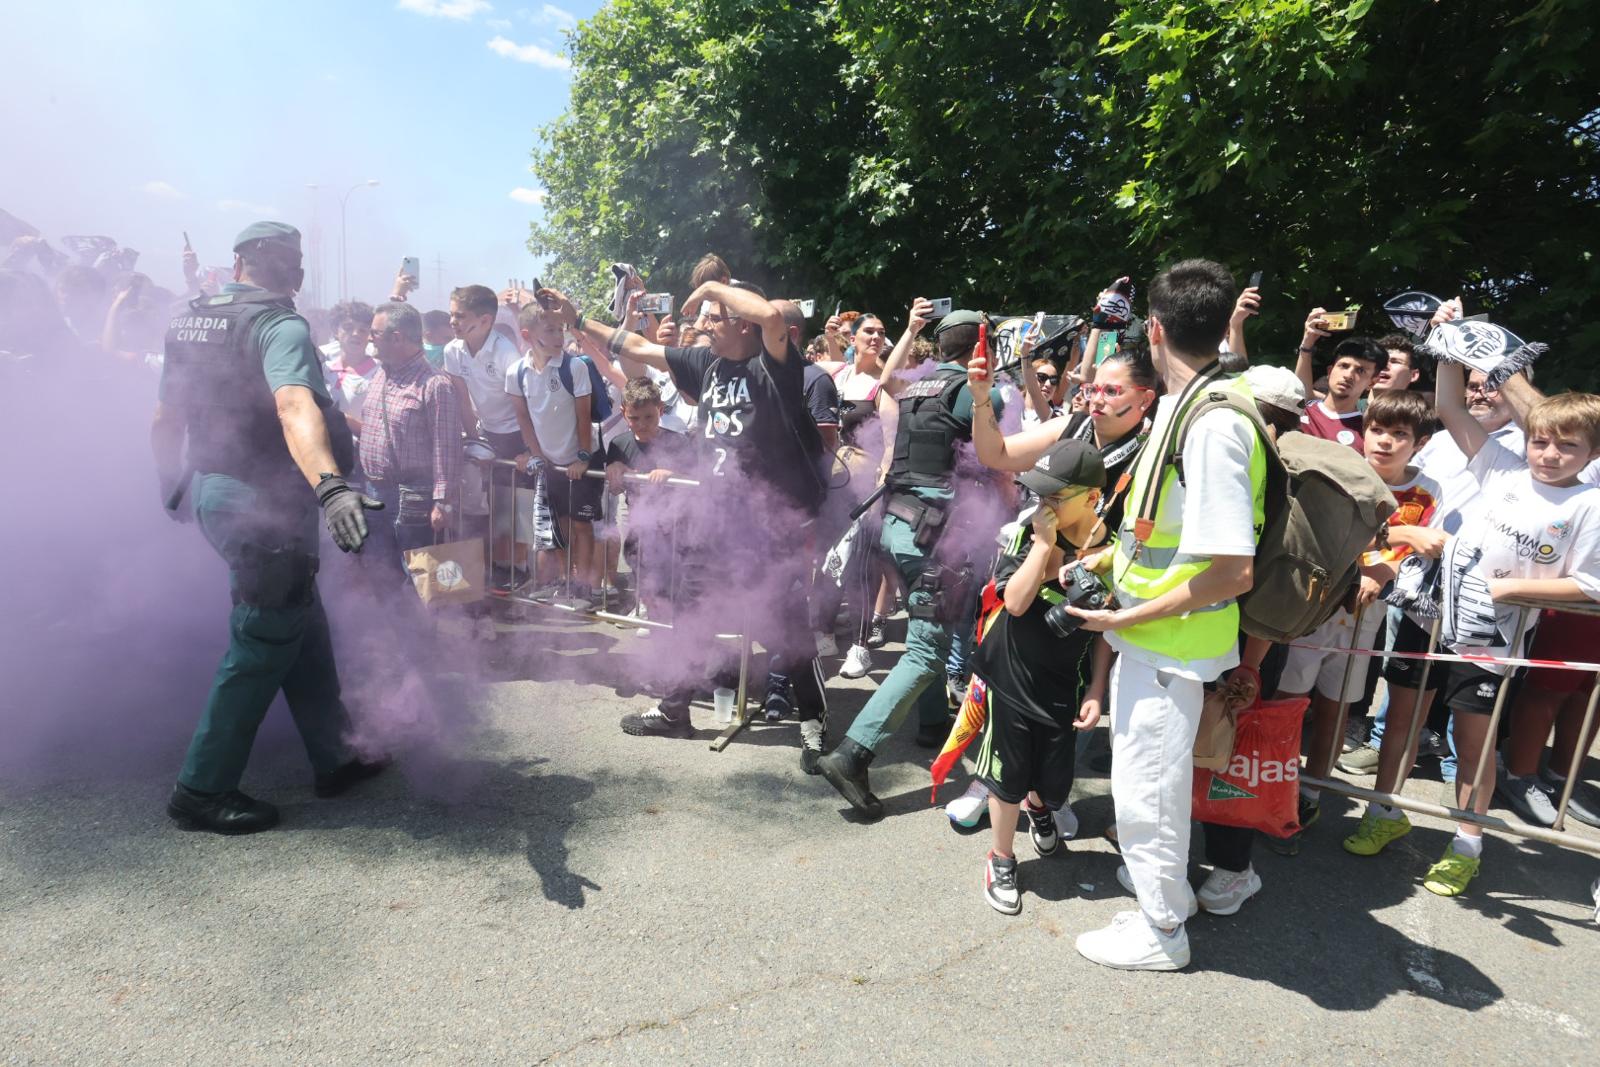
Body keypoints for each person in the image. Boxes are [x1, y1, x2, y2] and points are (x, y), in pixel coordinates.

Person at [149, 221, 386, 835]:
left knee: (299, 620)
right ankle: (200, 790)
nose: (298, 272)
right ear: (264, 261)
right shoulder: (277, 323)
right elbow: (293, 405)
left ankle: (337, 756)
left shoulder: (190, 317)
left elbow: (165, 417)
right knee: (261, 639)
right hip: (263, 502)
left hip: (216, 490)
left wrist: (167, 482)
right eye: (292, 259)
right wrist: (331, 485)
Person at [1063, 259, 1263, 971]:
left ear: (1153, 329)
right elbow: (1163, 532)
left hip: (1167, 640)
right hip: (1159, 635)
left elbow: (1229, 569)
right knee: (1154, 782)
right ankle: (1165, 898)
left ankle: (1160, 933)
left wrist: (1123, 619)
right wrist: (1102, 568)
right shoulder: (1196, 401)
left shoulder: (1212, 423)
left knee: (1146, 788)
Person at [537, 279, 829, 750]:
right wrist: (575, 320)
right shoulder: (705, 363)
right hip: (711, 518)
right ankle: (674, 710)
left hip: (767, 525)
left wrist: (715, 285)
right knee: (689, 613)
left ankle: (813, 725)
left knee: (788, 626)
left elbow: (773, 317)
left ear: (741, 321)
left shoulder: (775, 363)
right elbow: (634, 345)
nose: (703, 325)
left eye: (714, 316)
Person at [1348, 379, 1600, 897]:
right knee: (1400, 723)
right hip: (1431, 615)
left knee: (1473, 746)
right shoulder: (1504, 465)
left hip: (1491, 639)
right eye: (1541, 441)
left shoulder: (1589, 504)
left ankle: (1467, 845)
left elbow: (1590, 585)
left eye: (1568, 445)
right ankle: (1383, 812)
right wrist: (1449, 343)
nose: (1550, 454)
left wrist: (1508, 588)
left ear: (1591, 453)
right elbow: (1446, 405)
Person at [815, 307, 1007, 820]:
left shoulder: (916, 386)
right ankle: (853, 754)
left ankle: (928, 726)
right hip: (933, 535)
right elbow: (997, 460)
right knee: (926, 649)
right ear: (979, 346)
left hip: (898, 527)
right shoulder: (974, 392)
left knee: (928, 627)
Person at [1263, 390, 1441, 857]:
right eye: (1377, 430)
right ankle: (1273, 785)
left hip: (1364, 619)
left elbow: (1420, 554)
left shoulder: (1426, 493)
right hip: (1312, 608)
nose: (1384, 442)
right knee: (1287, 700)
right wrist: (1387, 547)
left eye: (1399, 434)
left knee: (1336, 708)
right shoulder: (1342, 471)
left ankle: (1312, 792)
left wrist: (1385, 568)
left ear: (1418, 443)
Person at [971, 439, 1109, 915]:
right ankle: (1001, 857)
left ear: (1092, 498)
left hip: (1064, 684)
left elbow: (1106, 632)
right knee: (1007, 777)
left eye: (1055, 497)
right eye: (1038, 494)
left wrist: (1096, 688)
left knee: (1052, 783)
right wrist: (1045, 544)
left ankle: (1040, 807)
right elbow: (1015, 602)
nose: (1042, 505)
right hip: (1011, 676)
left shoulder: (1114, 549)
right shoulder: (1026, 535)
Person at [505, 300, 604, 605]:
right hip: (550, 462)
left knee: (581, 525)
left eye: (561, 328)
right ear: (527, 334)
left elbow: (583, 415)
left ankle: (585, 587)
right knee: (559, 524)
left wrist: (582, 457)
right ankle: (564, 581)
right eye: (550, 330)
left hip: (581, 458)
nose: (559, 336)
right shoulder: (517, 371)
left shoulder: (575, 366)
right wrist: (536, 454)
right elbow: (523, 417)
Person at [357, 301, 463, 582]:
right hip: (374, 492)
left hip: (414, 497)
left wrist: (442, 502)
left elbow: (447, 447)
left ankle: (420, 628)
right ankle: (392, 626)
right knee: (380, 572)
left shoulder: (435, 384)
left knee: (420, 577)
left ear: (397, 337)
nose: (369, 338)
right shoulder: (381, 374)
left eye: (374, 333)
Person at [442, 284, 527, 586]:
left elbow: (524, 406)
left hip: (518, 433)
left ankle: (517, 572)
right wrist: (474, 442)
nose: (453, 322)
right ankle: (483, 575)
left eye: (460, 316)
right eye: (452, 314)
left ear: (486, 321)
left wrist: (529, 449)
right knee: (483, 508)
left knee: (515, 507)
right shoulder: (452, 350)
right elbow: (463, 401)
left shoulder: (507, 352)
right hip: (486, 432)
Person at [1294, 310, 1381, 451]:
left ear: (1371, 383)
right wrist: (1307, 343)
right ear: (1329, 371)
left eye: (1360, 371)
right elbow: (1298, 390)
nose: (1348, 375)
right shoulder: (1299, 410)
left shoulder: (1368, 432)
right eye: (1343, 366)